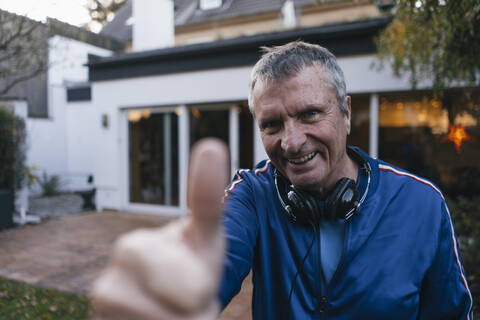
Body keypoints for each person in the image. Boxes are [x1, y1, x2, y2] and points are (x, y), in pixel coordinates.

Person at [91, 41, 473, 319]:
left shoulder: (422, 204)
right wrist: (175, 285)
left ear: (345, 112)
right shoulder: (253, 195)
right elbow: (217, 256)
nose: (290, 142)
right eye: (272, 124)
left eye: (309, 114)